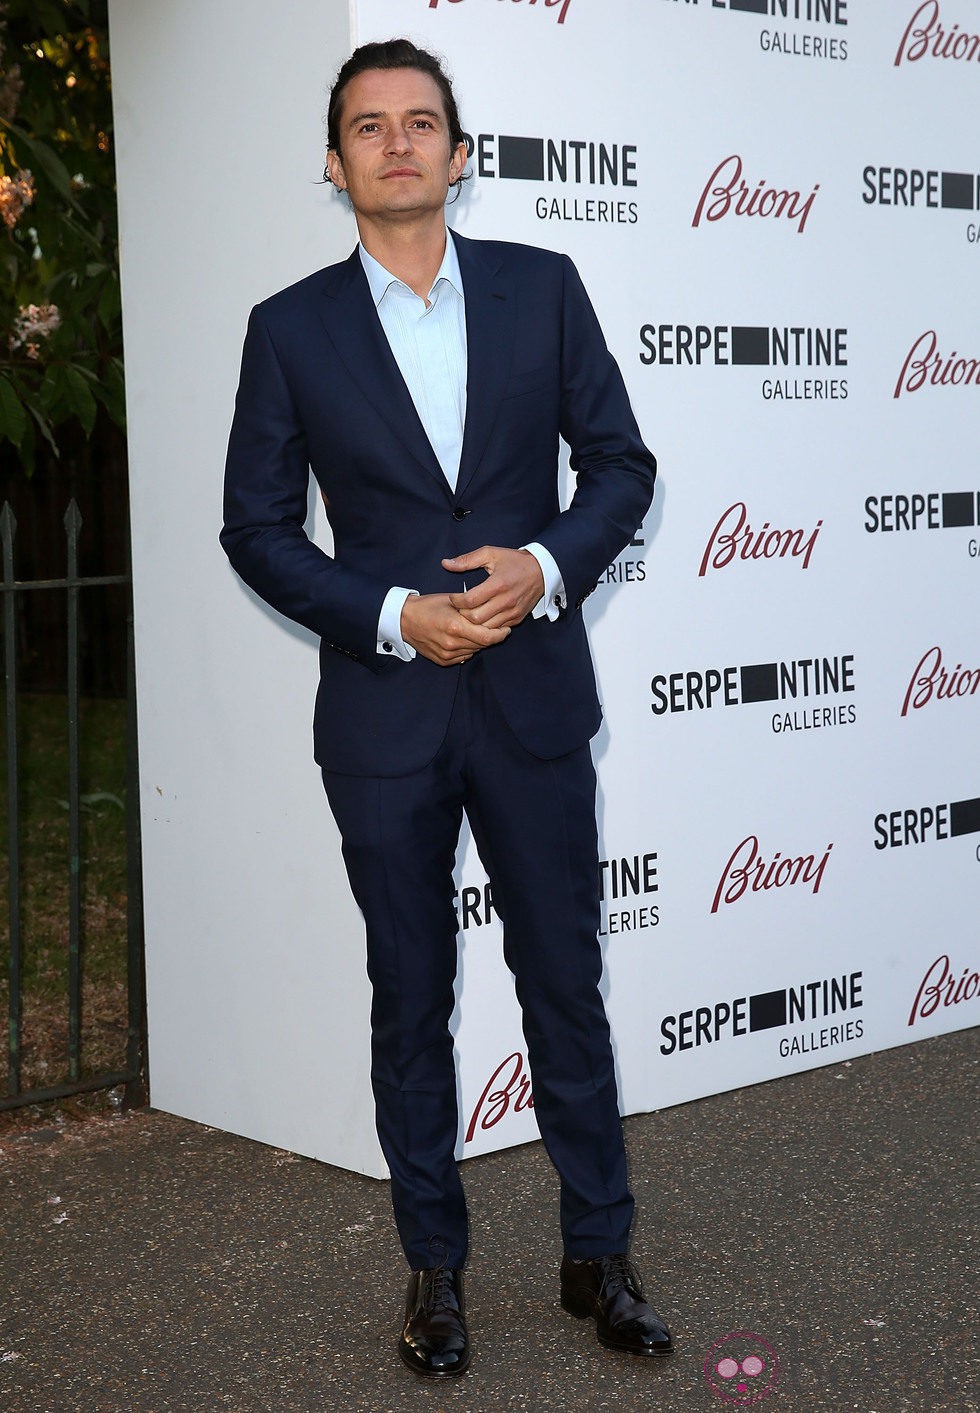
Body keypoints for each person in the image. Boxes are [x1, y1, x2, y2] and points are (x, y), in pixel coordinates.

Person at [221, 38, 671, 1378]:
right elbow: (255, 528)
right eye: (370, 126)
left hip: (531, 696)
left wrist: (546, 568)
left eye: (424, 123)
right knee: (409, 994)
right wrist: (387, 613)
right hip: (386, 715)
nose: (399, 143)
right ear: (336, 161)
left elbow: (620, 465)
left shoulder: (544, 290)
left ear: (462, 156)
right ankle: (437, 1271)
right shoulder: (290, 328)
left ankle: (602, 1248)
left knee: (565, 984)